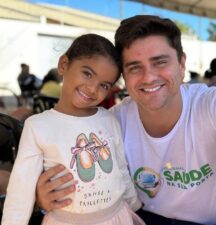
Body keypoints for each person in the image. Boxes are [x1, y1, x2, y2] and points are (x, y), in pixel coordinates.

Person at [35, 15, 216, 225]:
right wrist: (44, 194)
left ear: (182, 64)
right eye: (134, 67)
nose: (149, 77)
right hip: (146, 217)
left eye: (160, 62)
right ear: (124, 77)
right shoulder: (112, 122)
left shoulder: (212, 104)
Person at [2, 34, 145, 225]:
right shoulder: (37, 126)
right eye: (87, 73)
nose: (93, 89)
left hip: (118, 218)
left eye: (104, 85)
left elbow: (120, 168)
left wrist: (134, 204)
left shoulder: (109, 119)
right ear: (63, 65)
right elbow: (21, 189)